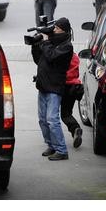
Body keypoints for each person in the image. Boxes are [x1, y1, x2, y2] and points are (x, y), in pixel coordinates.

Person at [31, 17, 73, 161]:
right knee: (42, 120)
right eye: (54, 28)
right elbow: (39, 60)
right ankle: (52, 145)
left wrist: (45, 41)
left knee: (52, 119)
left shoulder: (66, 46)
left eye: (57, 28)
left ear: (64, 30)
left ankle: (62, 150)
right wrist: (35, 45)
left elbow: (51, 56)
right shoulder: (51, 42)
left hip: (55, 88)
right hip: (43, 86)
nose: (54, 30)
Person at [61, 52, 84, 148]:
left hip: (64, 86)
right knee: (67, 112)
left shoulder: (60, 55)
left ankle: (75, 129)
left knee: (63, 115)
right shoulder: (74, 56)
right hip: (75, 86)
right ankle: (76, 129)